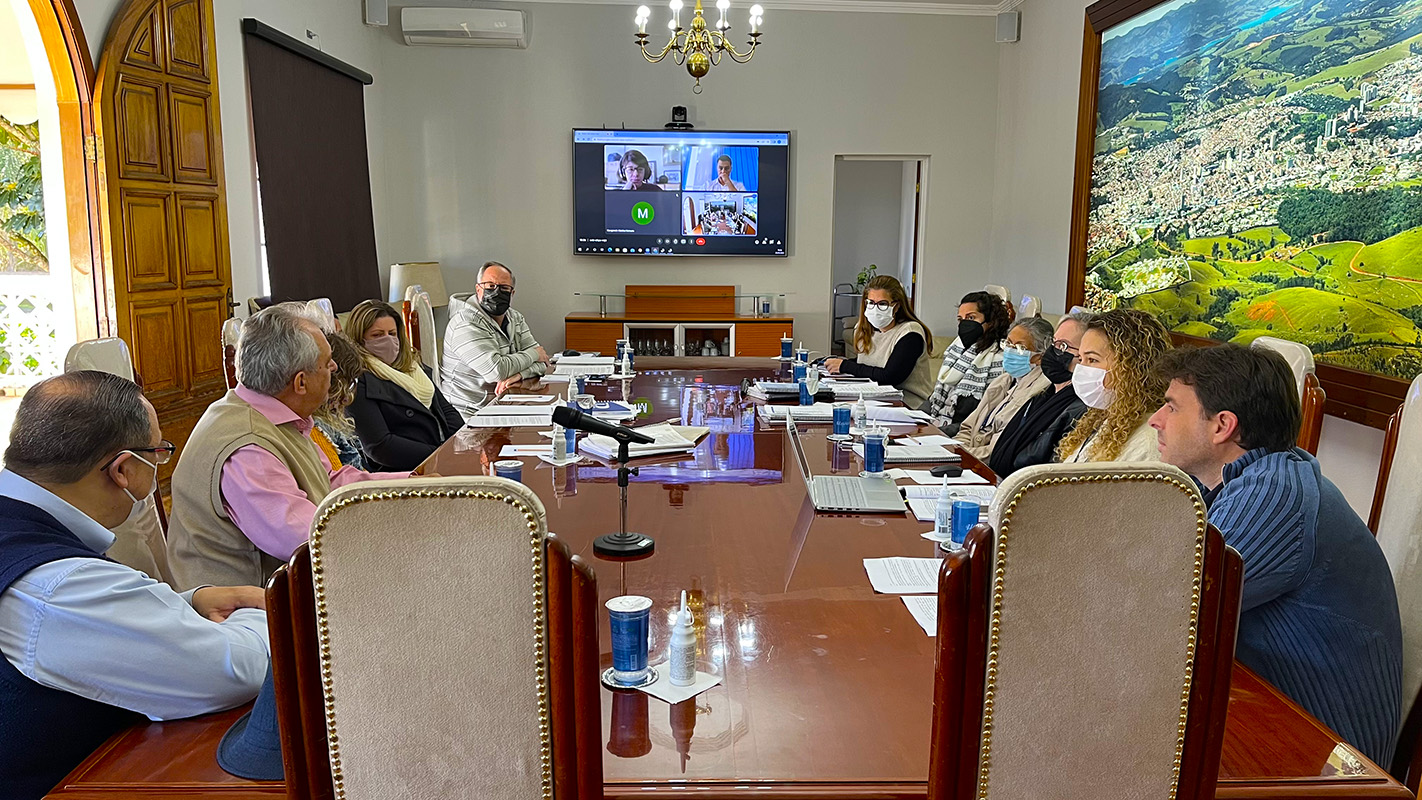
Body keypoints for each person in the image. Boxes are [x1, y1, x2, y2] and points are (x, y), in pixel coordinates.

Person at [0, 371, 269, 798]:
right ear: (123, 468)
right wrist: (264, 613)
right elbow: (234, 669)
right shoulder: (58, 587)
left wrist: (188, 603)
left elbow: (77, 628)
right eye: (159, 452)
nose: (159, 464)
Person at [1149, 344, 1402, 765]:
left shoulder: (1273, 495)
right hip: (1268, 710)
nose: (1156, 419)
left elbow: (1166, 612)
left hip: (1326, 757)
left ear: (1222, 426)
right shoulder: (1249, 479)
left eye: (1172, 407)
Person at [167, 303, 409, 590]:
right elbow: (308, 541)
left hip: (293, 589)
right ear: (301, 382)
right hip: (252, 615)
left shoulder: (270, 413)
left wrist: (414, 485)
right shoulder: (247, 449)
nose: (334, 367)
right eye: (327, 361)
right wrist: (399, 531)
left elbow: (331, 481)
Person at [345, 300, 465, 471]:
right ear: (359, 339)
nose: (388, 339)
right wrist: (438, 455)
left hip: (441, 459)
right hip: (402, 473)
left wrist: (458, 444)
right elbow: (380, 446)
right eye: (377, 335)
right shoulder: (358, 381)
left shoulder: (413, 367)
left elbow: (445, 410)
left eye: (392, 333)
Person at [986, 311, 1095, 478]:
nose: (1052, 351)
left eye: (1063, 346)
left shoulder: (1079, 409)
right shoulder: (1044, 393)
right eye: (1054, 343)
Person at [1056, 308, 1171, 463]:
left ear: (1131, 368)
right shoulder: (1105, 416)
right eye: (1081, 359)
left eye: (1092, 360)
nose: (1081, 369)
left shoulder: (1150, 442)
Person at [442, 261, 550, 417]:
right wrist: (533, 354)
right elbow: (496, 371)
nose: (496, 292)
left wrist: (519, 374)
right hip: (467, 415)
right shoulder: (464, 323)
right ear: (478, 289)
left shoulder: (515, 317)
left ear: (512, 293)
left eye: (504, 288)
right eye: (490, 286)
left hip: (503, 405)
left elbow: (543, 362)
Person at [821, 275, 934, 408]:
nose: (875, 309)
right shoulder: (864, 329)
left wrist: (845, 366)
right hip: (874, 398)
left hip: (908, 405)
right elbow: (867, 364)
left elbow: (890, 376)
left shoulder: (910, 333)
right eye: (870, 303)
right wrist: (833, 363)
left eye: (882, 304)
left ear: (896, 306)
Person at [955, 316, 1054, 458]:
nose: (1010, 351)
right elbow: (968, 428)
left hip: (989, 466)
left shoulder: (1040, 390)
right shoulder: (1004, 379)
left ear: (1040, 357)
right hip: (968, 457)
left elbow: (996, 451)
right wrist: (953, 452)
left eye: (1020, 347)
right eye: (1008, 344)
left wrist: (961, 456)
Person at [924, 291, 1011, 431]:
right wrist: (912, 417)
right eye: (961, 319)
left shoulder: (999, 360)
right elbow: (935, 397)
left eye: (971, 318)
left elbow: (980, 419)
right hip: (937, 425)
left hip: (959, 434)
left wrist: (936, 433)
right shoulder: (958, 348)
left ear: (990, 321)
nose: (964, 324)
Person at [312, 331, 368, 471]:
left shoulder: (329, 424)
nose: (346, 398)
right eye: (345, 384)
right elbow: (339, 481)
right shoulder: (315, 429)